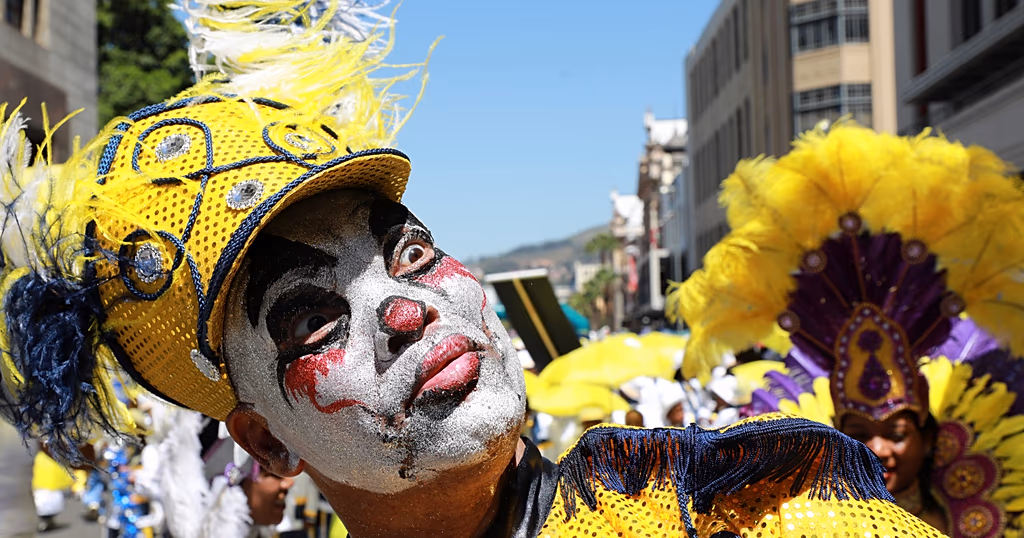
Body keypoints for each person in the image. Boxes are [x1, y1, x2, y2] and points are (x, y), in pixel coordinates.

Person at [0, 2, 945, 536]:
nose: (407, 309)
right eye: (314, 322)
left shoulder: (759, 516)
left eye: (410, 254)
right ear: (264, 443)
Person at [668, 122, 1024, 537]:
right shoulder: (800, 522)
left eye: (897, 434)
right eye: (857, 434)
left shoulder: (997, 503)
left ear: (929, 440)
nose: (878, 451)